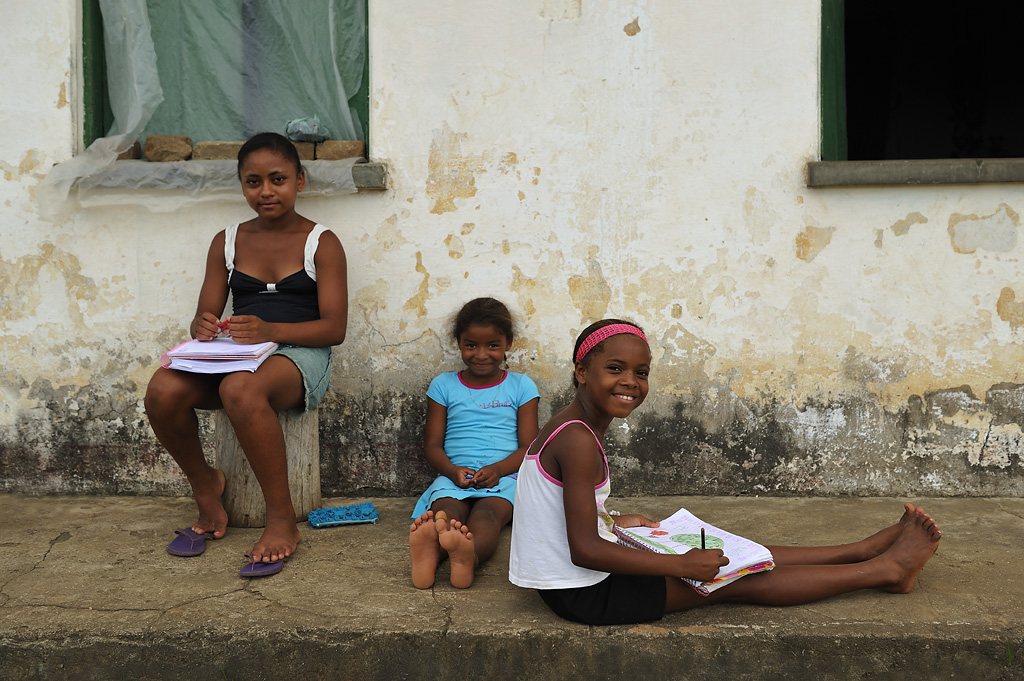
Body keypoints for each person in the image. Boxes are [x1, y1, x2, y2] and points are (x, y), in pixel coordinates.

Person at [509, 319, 942, 625]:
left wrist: (614, 522)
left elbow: (554, 512)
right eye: (615, 369)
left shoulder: (570, 426)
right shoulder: (578, 439)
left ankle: (859, 550)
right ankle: (886, 571)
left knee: (737, 552)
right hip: (587, 594)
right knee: (736, 579)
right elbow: (584, 551)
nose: (631, 382)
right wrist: (679, 563)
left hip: (575, 579)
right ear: (582, 372)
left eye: (641, 373)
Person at [145, 132, 348, 577]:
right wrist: (202, 325)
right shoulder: (228, 240)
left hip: (299, 355)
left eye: (278, 179)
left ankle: (280, 518)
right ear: (241, 185)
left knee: (240, 388)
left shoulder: (322, 242)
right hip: (238, 353)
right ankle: (206, 487)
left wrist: (269, 329)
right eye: (253, 181)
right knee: (161, 388)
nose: (266, 191)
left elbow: (334, 329)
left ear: (300, 179)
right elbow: (208, 311)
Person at [409, 298, 540, 589]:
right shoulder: (443, 386)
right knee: (445, 513)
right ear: (458, 343)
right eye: (471, 345)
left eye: (493, 345)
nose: (481, 355)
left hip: (506, 476)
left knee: (488, 516)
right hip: (454, 475)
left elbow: (529, 448)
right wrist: (452, 471)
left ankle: (469, 557)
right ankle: (432, 551)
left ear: (508, 343)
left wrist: (497, 470)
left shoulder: (521, 387)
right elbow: (432, 445)